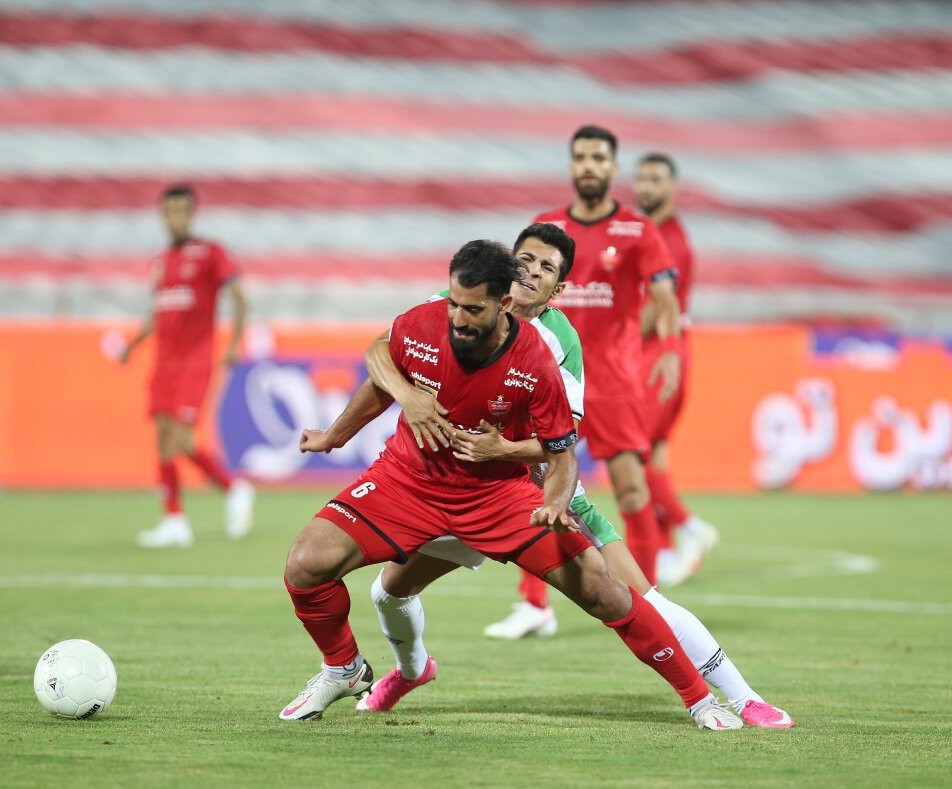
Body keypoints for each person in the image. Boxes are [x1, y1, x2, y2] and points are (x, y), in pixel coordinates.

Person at [281, 238, 740, 730]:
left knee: (603, 589)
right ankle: (344, 667)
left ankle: (700, 700)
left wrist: (554, 502)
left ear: (503, 303)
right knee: (307, 564)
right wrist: (353, 426)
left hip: (497, 495)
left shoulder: (537, 359)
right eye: (454, 304)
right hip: (408, 481)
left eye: (471, 310)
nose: (457, 319)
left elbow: (561, 451)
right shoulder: (426, 319)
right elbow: (380, 360)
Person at [483, 124, 685, 640]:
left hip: (614, 382)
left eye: (598, 158)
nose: (589, 166)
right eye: (581, 157)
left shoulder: (638, 230)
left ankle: (647, 600)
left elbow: (665, 300)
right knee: (534, 485)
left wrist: (669, 349)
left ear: (613, 167)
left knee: (632, 490)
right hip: (545, 376)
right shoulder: (546, 230)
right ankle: (534, 605)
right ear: (571, 164)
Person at [120, 184, 254, 548]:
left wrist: (234, 343)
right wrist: (133, 344)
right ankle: (174, 520)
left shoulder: (210, 253)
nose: (175, 218)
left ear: (192, 213)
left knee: (181, 439)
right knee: (163, 438)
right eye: (169, 211)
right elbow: (157, 312)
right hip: (164, 361)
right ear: (162, 215)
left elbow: (240, 298)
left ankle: (233, 488)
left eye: (182, 210)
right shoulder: (160, 261)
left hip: (195, 359)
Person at [633, 153, 718, 587]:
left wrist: (618, 341)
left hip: (659, 354)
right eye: (640, 179)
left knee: (631, 452)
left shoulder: (669, 241)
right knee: (651, 452)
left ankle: (689, 526)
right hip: (661, 352)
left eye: (655, 179)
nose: (645, 187)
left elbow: (655, 304)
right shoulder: (652, 233)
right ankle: (664, 547)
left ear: (672, 187)